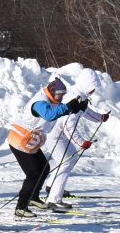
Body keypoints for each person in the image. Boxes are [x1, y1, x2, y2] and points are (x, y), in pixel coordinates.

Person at [8, 77, 88, 217]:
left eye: (63, 95)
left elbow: (59, 112)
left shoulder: (52, 100)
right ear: (52, 91)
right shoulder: (39, 102)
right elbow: (49, 115)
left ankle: (33, 198)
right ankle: (21, 207)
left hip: (30, 141)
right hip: (19, 141)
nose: (61, 97)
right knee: (33, 174)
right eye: (59, 94)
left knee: (44, 168)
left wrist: (76, 109)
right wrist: (68, 107)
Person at [44, 87, 108, 211]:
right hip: (53, 136)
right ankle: (54, 199)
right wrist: (81, 143)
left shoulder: (81, 98)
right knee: (66, 162)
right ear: (87, 85)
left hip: (60, 136)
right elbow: (68, 126)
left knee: (71, 158)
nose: (93, 91)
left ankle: (52, 186)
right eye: (92, 88)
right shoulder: (74, 100)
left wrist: (100, 118)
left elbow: (87, 112)